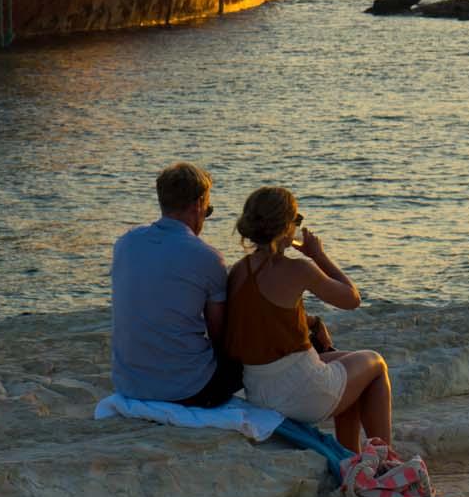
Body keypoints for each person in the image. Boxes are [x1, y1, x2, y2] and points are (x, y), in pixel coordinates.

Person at [224, 186, 392, 451]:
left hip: (259, 389)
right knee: (375, 363)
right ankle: (385, 460)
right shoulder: (298, 269)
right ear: (286, 227)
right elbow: (352, 299)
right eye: (297, 220)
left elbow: (264, 317)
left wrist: (312, 322)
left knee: (348, 368)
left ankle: (351, 456)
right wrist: (318, 255)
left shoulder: (238, 271)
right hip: (301, 391)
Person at [109, 162, 242, 408]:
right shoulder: (207, 257)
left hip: (128, 384)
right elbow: (220, 335)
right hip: (188, 389)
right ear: (198, 204)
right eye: (207, 210)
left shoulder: (125, 243)